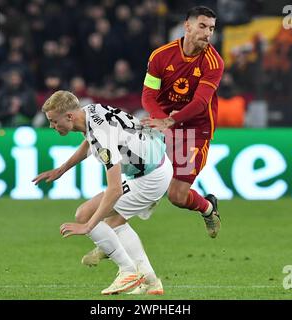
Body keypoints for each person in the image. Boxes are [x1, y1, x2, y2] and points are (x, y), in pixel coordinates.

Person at [32, 90, 172, 295]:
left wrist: (87, 226)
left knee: (84, 213)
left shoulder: (101, 137)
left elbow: (114, 189)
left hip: (150, 178)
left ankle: (128, 271)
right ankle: (150, 280)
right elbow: (88, 141)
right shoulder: (90, 111)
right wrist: (61, 169)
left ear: (69, 116)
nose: (52, 127)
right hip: (155, 165)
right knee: (114, 224)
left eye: (54, 121)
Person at [140, 6, 224, 237]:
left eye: (212, 29)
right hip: (164, 125)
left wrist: (170, 122)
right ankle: (113, 236)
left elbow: (199, 103)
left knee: (177, 196)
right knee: (138, 177)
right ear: (187, 26)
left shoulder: (213, 63)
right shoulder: (160, 56)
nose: (208, 33)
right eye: (203, 26)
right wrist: (161, 121)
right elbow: (148, 95)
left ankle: (208, 208)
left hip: (194, 131)